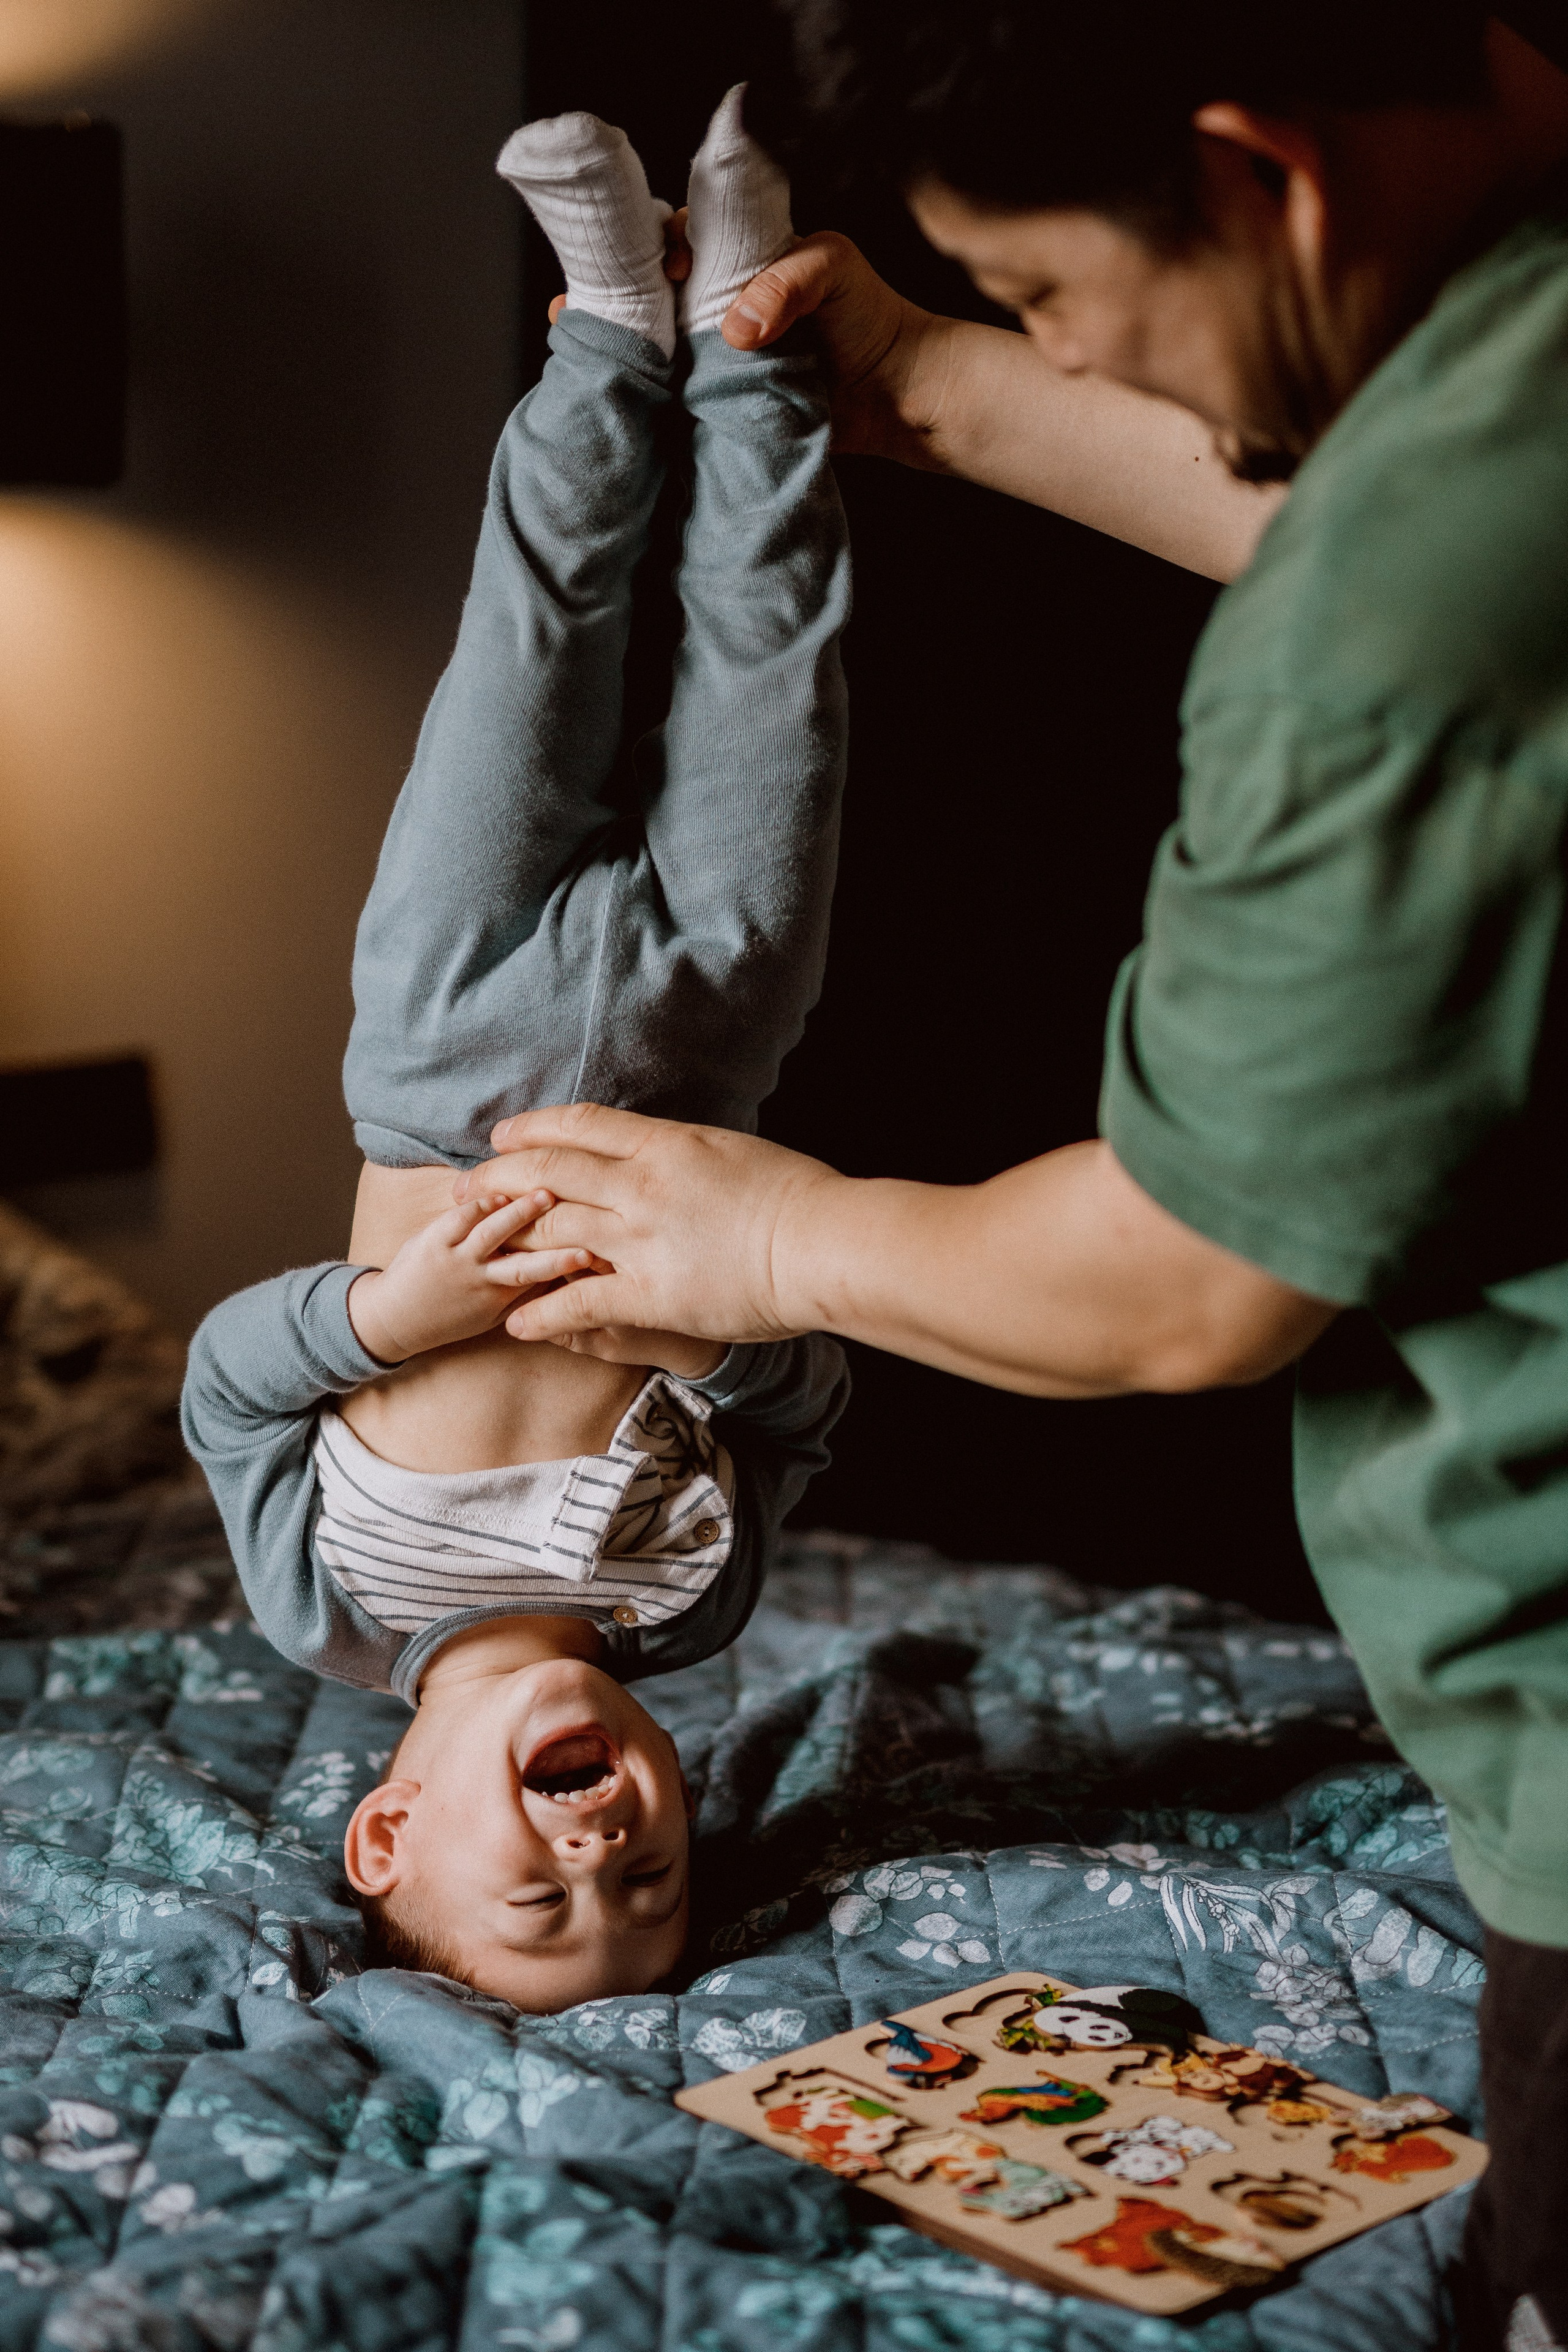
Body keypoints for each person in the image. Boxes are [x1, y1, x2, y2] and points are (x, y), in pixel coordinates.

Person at [452, 13, 1568, 2343]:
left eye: (1053, 292)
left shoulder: (1395, 627)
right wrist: (945, 378)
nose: (1063, 340)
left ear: (1268, 176)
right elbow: (1379, 513)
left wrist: (762, 1233)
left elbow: (1187, 1287)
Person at [181, 92, 851, 2015]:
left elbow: (228, 1388)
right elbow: (806, 1401)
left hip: (443, 1028)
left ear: (381, 1834)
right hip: (715, 1040)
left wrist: (396, 1317)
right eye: (655, 1889)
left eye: (545, 1907)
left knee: (533, 646)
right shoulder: (685, 1598)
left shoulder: (333, 1604)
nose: (606, 1860)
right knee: (772, 672)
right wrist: (697, 1338)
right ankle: (744, 333)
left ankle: (601, 325)